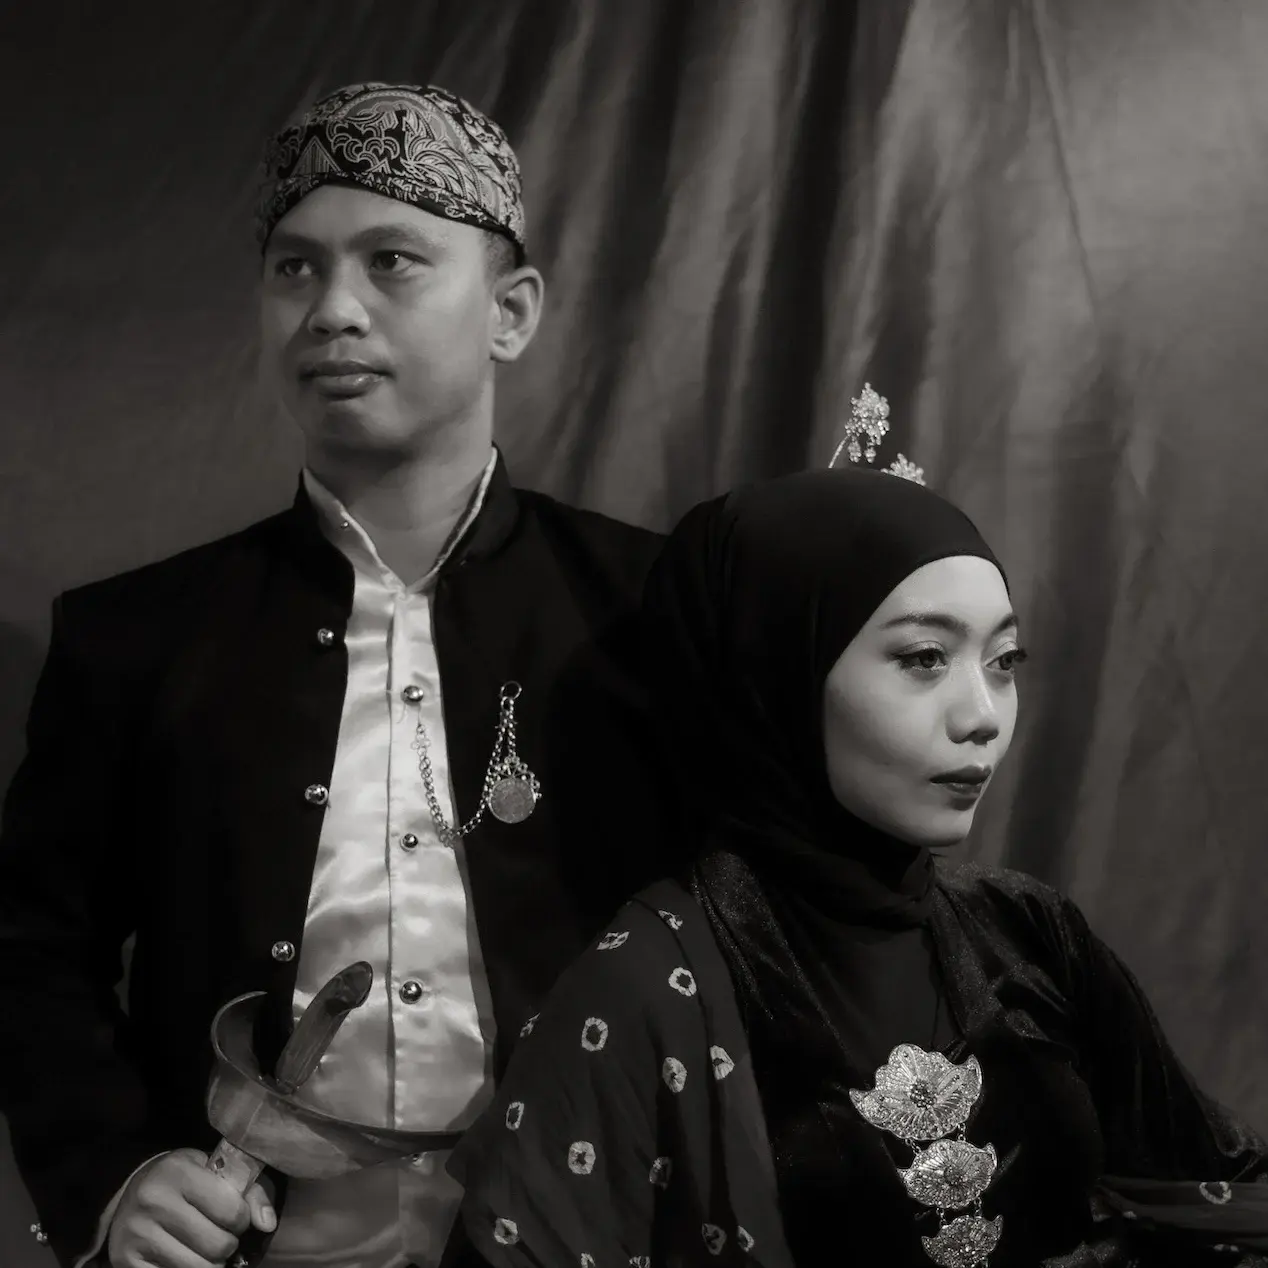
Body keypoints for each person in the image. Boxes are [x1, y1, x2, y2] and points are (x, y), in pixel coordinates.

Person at [0, 83, 677, 1268]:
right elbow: (30, 947)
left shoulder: (651, 612)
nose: (332, 309)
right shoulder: (138, 635)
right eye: (295, 269)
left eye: (391, 261)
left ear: (510, 311)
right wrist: (115, 1175)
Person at [447, 464, 1268, 1266]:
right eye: (925, 658)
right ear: (777, 673)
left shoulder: (1028, 931)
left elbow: (1220, 1194)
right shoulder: (650, 988)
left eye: (1004, 660)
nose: (983, 716)